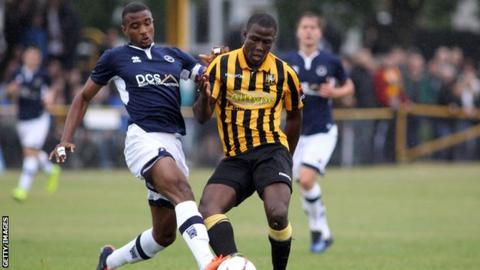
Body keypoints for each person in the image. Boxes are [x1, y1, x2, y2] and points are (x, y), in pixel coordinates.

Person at [49, 2, 224, 270]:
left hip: (173, 142)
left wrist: (211, 79)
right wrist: (65, 138)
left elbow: (203, 107)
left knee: (163, 235)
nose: (143, 30)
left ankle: (109, 261)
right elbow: (83, 97)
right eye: (135, 26)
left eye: (148, 23)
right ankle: (208, 263)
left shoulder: (174, 55)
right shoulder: (115, 57)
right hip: (142, 139)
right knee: (182, 190)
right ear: (124, 30)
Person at [193, 13, 303, 270]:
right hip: (236, 157)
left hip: (271, 151)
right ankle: (236, 264)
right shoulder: (221, 66)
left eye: (267, 42)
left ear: (273, 41)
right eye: (254, 39)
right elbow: (201, 117)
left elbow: (295, 116)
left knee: (277, 214)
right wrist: (206, 97)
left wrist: (287, 157)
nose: (259, 47)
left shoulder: (284, 73)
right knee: (207, 209)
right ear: (245, 35)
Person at [282, 12, 354, 253]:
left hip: (322, 131)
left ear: (319, 32)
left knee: (306, 178)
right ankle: (323, 231)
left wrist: (335, 93)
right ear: (298, 32)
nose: (309, 31)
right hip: (294, 133)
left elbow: (349, 86)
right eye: (305, 27)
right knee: (300, 184)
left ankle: (317, 228)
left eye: (313, 27)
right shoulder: (287, 60)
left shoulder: (331, 61)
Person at [6, 46, 61, 202]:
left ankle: (22, 189)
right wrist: (11, 91)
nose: (32, 58)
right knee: (31, 151)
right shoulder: (17, 73)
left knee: (29, 152)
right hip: (23, 119)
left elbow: (53, 88)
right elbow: (9, 93)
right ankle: (51, 170)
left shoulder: (43, 75)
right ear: (24, 57)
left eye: (35, 56)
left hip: (39, 118)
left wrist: (51, 96)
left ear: (39, 58)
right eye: (29, 55)